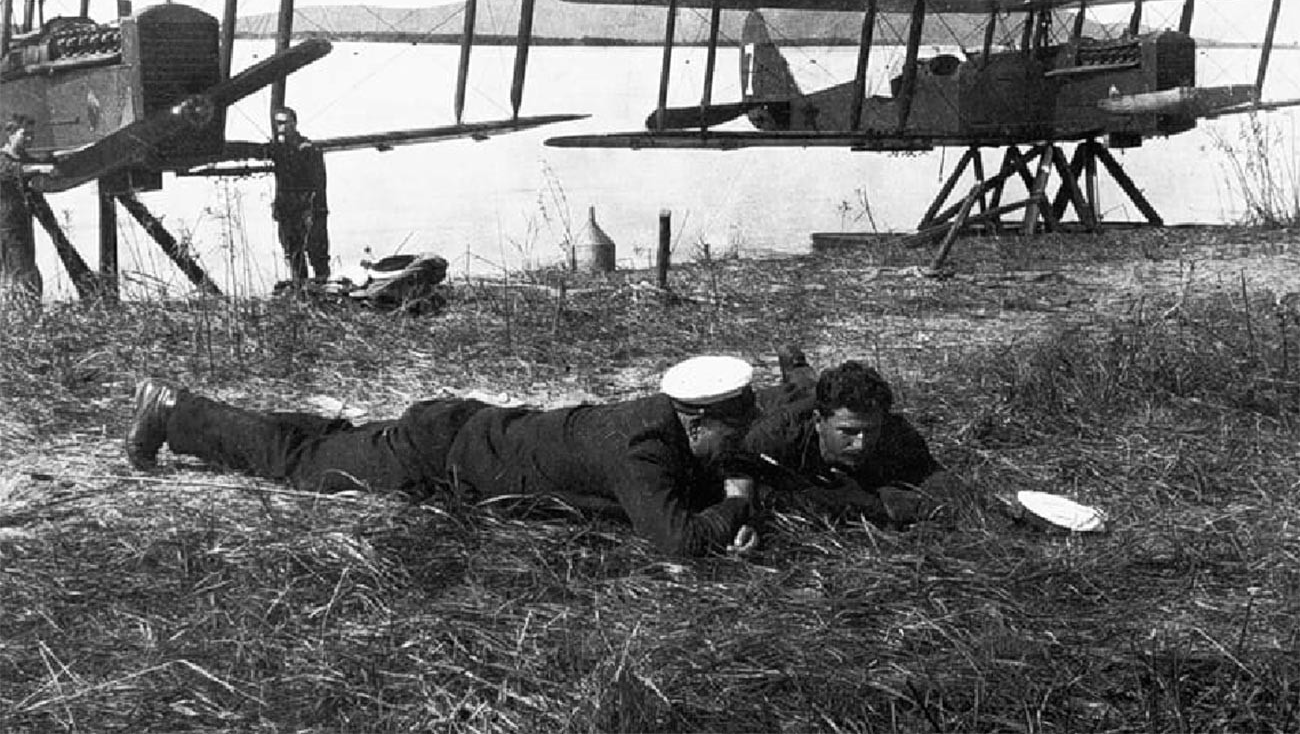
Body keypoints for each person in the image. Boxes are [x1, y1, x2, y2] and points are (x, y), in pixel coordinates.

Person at [123, 355, 762, 557]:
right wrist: (735, 505)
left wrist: (720, 504)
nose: (736, 447)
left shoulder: (654, 423)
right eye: (732, 433)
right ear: (697, 418)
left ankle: (192, 413)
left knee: (331, 440)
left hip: (460, 431)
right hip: (438, 456)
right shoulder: (642, 449)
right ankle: (175, 413)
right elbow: (677, 543)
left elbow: (678, 501)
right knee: (303, 468)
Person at [745, 352, 961, 527]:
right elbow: (752, 492)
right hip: (783, 403)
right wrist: (867, 504)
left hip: (818, 402)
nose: (861, 443)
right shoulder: (774, 436)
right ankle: (795, 367)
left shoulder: (895, 431)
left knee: (810, 385)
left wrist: (919, 505)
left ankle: (797, 364)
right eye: (848, 432)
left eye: (870, 431)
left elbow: (938, 479)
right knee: (795, 390)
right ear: (819, 422)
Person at [269, 107, 330, 282]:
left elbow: (319, 184)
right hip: (288, 209)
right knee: (293, 253)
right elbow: (281, 182)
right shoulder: (279, 151)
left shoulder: (308, 150)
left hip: (308, 208)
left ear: (294, 123)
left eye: (284, 123)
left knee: (317, 252)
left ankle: (323, 288)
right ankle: (301, 292)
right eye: (277, 124)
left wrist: (315, 211)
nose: (280, 128)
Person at [0, 116, 43, 304]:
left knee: (26, 271)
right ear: (10, 134)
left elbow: (36, 164)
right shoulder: (2, 159)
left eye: (32, 135)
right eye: (25, 134)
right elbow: (14, 171)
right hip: (6, 227)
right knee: (17, 272)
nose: (29, 139)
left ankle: (26, 311)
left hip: (23, 225)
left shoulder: (25, 158)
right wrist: (40, 168)